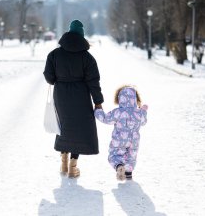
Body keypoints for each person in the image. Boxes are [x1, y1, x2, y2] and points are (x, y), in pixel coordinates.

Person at [43, 19, 104, 178]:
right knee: (80, 129)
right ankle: (73, 166)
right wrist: (98, 102)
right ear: (82, 37)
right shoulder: (87, 57)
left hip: (61, 95)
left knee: (64, 126)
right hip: (81, 96)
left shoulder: (54, 54)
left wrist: (59, 78)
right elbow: (93, 82)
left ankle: (63, 163)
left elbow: (49, 77)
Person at [94, 85, 148, 181]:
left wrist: (98, 111)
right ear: (135, 99)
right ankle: (128, 174)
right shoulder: (138, 113)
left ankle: (119, 166)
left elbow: (106, 119)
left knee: (114, 155)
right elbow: (143, 122)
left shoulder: (118, 112)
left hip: (119, 140)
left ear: (119, 99)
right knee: (132, 156)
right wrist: (143, 111)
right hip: (134, 140)